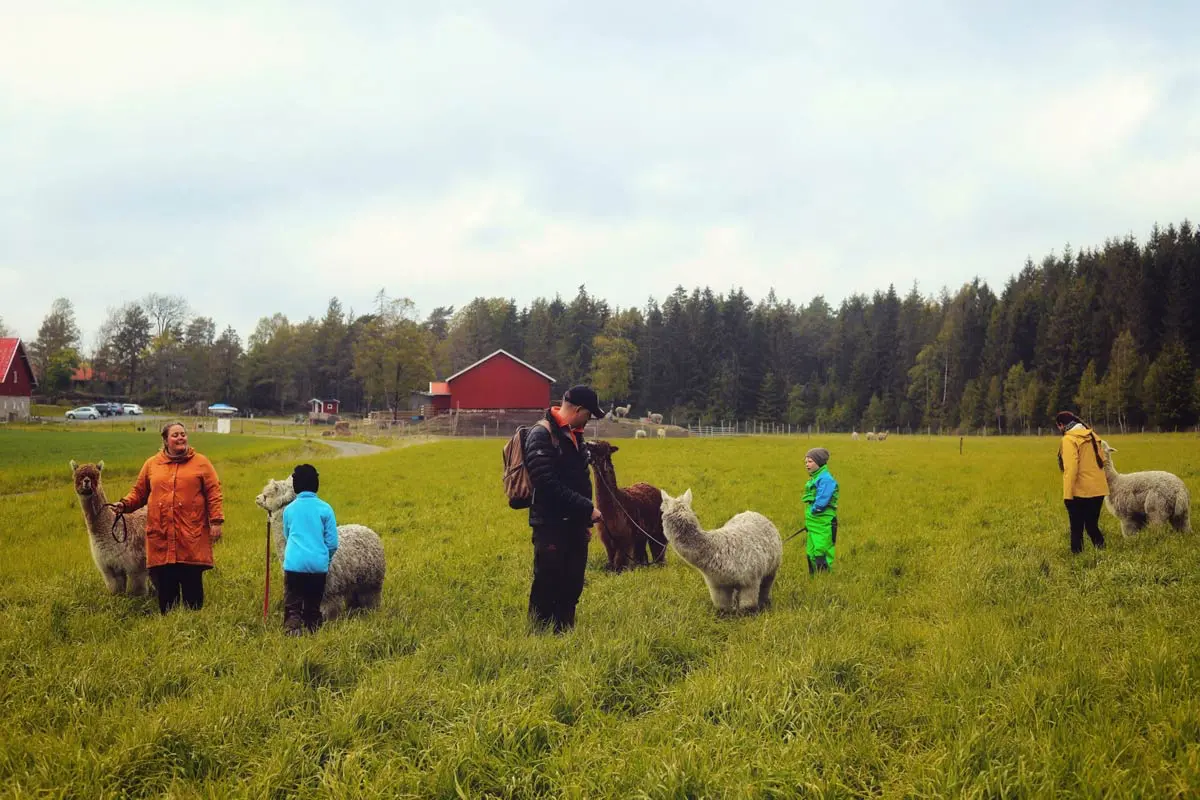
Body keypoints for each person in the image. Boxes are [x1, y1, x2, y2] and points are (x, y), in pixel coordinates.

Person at [116, 421, 224, 614]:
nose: (181, 437)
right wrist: (124, 505)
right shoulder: (152, 464)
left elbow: (214, 492)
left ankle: (194, 623)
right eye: (175, 435)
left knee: (192, 582)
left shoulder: (201, 462)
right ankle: (170, 625)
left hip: (191, 535)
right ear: (165, 440)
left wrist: (216, 521)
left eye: (183, 434)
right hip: (161, 535)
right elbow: (139, 493)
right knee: (166, 584)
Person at [523, 384, 605, 633]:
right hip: (550, 524)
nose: (589, 421)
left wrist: (583, 521)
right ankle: (537, 636)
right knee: (548, 582)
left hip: (574, 525)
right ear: (579, 409)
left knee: (572, 584)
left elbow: (580, 481)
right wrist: (587, 508)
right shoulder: (541, 434)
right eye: (589, 415)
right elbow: (545, 482)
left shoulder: (575, 436)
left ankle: (564, 633)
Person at [280, 464, 339, 635]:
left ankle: (292, 628)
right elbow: (333, 542)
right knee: (313, 604)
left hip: (293, 565)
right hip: (317, 566)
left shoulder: (289, 510)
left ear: (296, 485)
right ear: (316, 484)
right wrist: (325, 559)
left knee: (293, 602)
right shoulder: (325, 509)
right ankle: (313, 631)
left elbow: (287, 534)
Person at [1055, 410, 1107, 554]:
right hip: (1099, 489)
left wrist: (1068, 495)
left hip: (1081, 491)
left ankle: (1078, 558)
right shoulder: (1092, 435)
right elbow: (1103, 460)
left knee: (1076, 528)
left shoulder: (1068, 440)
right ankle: (1103, 552)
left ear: (1061, 425)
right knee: (1091, 526)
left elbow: (1071, 468)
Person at [802, 447, 839, 573]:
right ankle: (813, 580)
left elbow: (821, 502)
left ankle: (824, 582)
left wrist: (813, 511)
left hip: (824, 523)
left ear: (819, 462)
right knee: (810, 552)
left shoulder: (826, 480)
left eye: (810, 461)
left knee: (821, 551)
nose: (807, 464)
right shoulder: (815, 478)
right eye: (806, 462)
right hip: (813, 524)